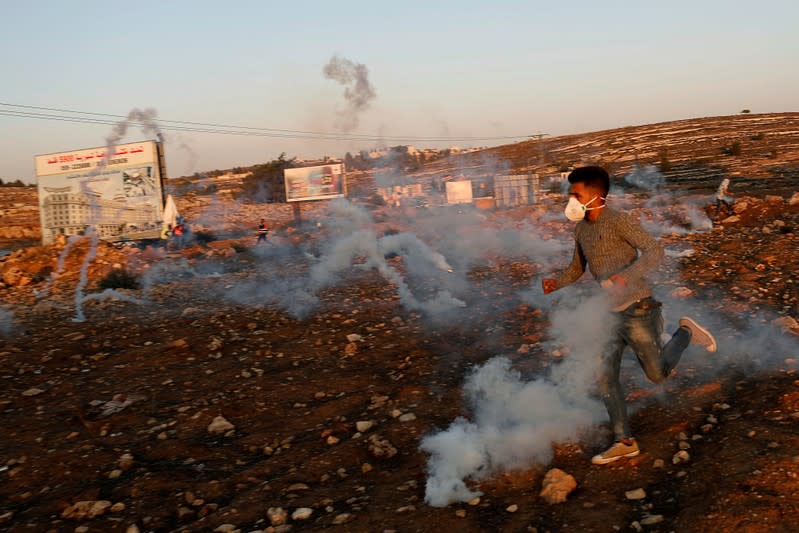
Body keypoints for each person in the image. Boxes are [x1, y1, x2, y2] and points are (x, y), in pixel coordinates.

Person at [542, 166, 717, 465]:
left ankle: (686, 332)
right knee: (606, 377)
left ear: (595, 196)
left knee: (657, 374)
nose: (569, 199)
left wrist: (625, 277)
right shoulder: (581, 229)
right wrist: (556, 283)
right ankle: (625, 441)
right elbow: (577, 268)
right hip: (609, 314)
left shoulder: (619, 221)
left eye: (575, 194)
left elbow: (655, 251)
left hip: (638, 308)